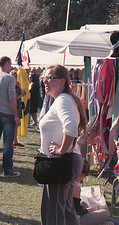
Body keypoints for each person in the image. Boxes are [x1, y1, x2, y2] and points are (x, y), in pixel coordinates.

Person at [39, 64, 87, 225]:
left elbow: (71, 127)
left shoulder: (62, 100)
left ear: (62, 81)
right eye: (44, 78)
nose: (45, 81)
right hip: (67, 161)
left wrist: (61, 150)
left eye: (50, 78)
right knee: (65, 210)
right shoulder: (64, 100)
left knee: (54, 212)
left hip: (62, 162)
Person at [0, 56, 21, 177]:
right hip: (7, 113)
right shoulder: (9, 78)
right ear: (6, 63)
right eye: (10, 64)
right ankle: (7, 169)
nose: (11, 66)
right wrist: (16, 116)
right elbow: (12, 99)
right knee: (8, 142)